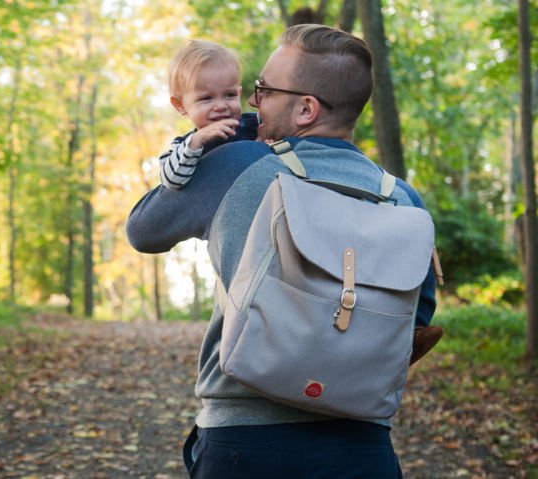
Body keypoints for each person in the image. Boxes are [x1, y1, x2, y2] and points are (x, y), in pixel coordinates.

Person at [127, 24, 439, 478]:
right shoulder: (404, 199)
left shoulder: (235, 164)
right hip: (362, 444)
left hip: (246, 439)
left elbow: (143, 232)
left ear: (306, 108)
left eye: (264, 91)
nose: (252, 103)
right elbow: (418, 315)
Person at [159, 39, 258, 190]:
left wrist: (264, 141)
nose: (220, 106)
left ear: (239, 93)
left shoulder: (253, 124)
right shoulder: (184, 146)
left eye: (230, 95)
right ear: (180, 105)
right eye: (206, 98)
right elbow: (171, 181)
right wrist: (196, 141)